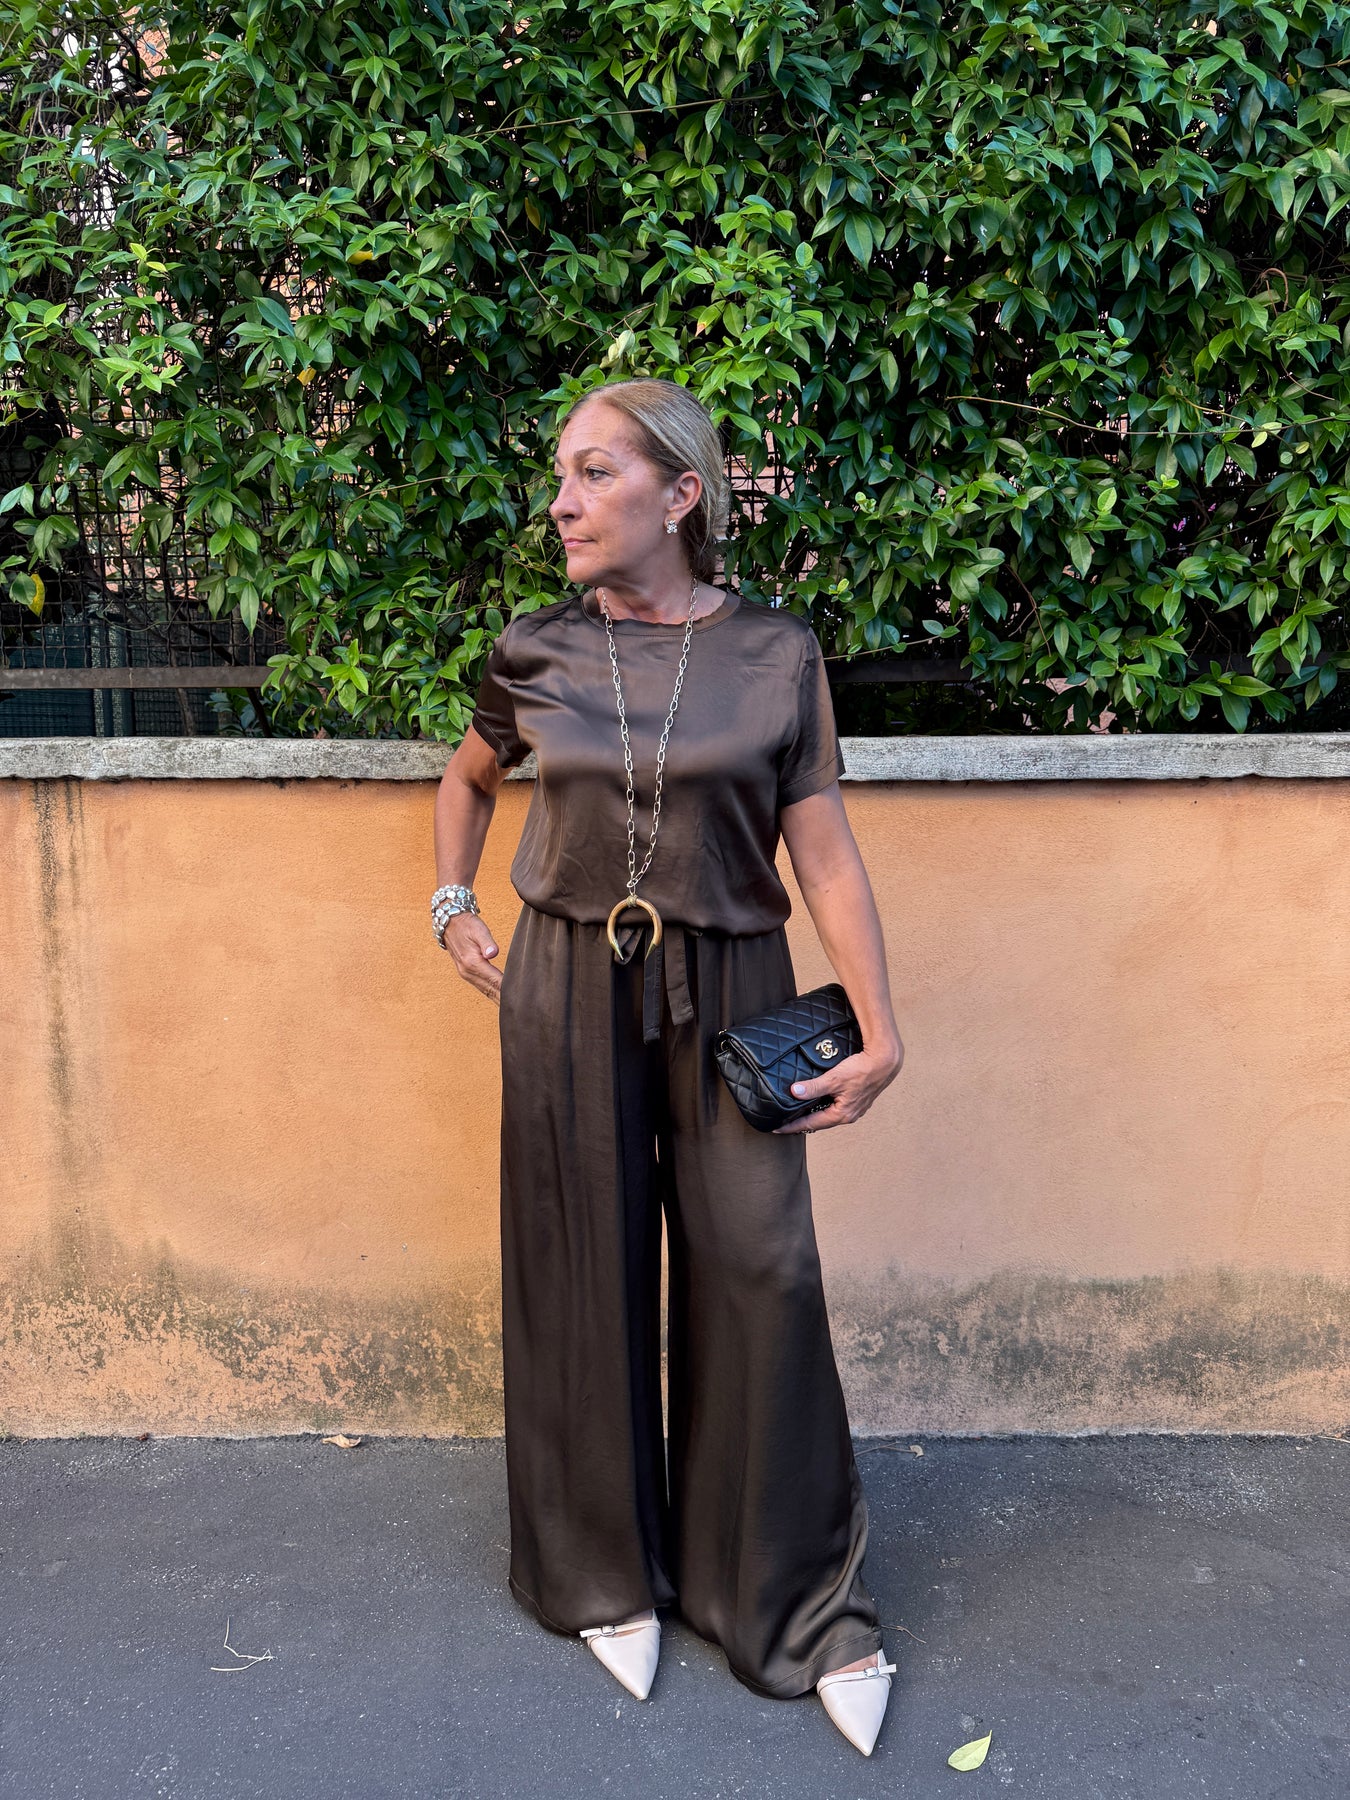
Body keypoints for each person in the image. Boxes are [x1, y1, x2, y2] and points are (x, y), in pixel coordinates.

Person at [431, 377, 905, 1755]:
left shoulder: (774, 652)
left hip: (735, 983)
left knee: (762, 1267)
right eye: (559, 476)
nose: (562, 502)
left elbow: (822, 847)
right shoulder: (535, 648)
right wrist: (452, 903)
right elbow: (467, 778)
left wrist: (880, 1024)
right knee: (581, 1266)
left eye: (595, 473)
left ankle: (787, 1598)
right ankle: (600, 1572)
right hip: (566, 980)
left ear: (681, 494)